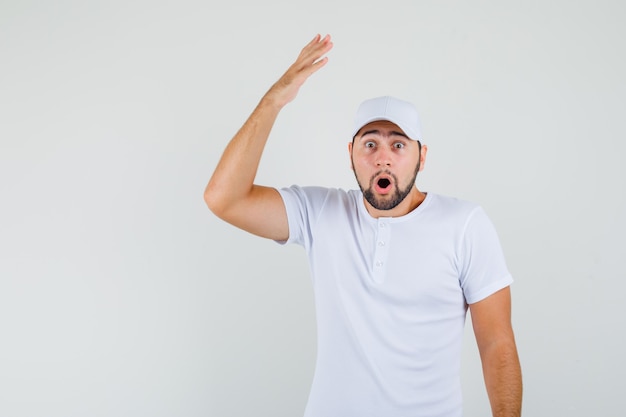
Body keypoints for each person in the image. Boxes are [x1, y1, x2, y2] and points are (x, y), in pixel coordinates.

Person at [204, 34, 522, 417]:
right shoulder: (320, 212)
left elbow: (496, 344)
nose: (383, 158)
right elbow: (223, 198)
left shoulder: (465, 224)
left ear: (422, 157)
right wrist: (274, 100)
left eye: (398, 144)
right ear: (351, 156)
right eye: (369, 144)